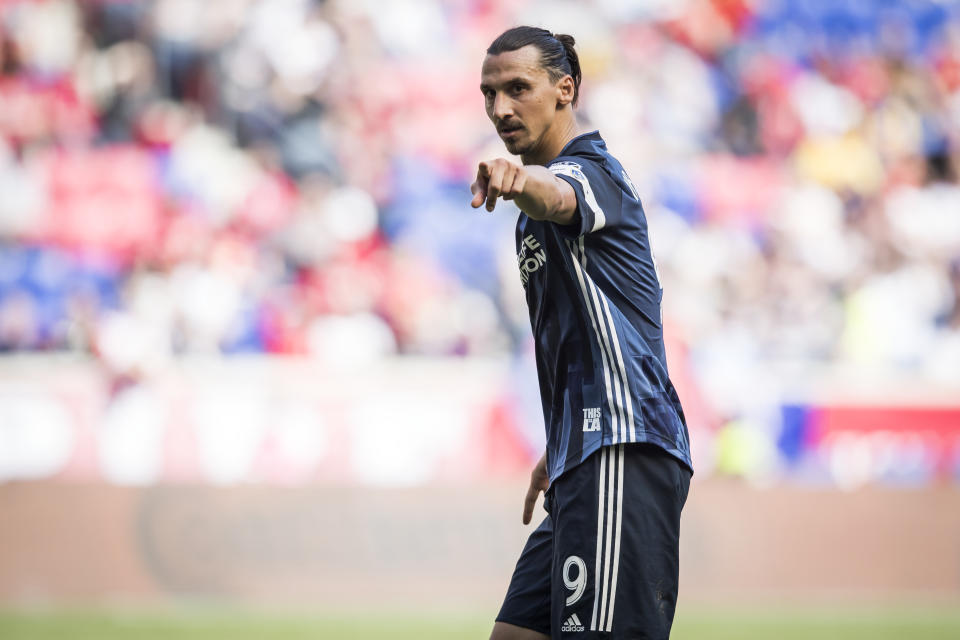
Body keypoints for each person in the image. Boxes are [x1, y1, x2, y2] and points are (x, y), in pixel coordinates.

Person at [470, 27, 694, 639]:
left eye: (519, 88)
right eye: (489, 94)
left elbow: (560, 196)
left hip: (622, 446)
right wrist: (561, 437)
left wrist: (518, 181)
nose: (500, 109)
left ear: (566, 88)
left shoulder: (593, 174)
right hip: (583, 452)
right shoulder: (533, 215)